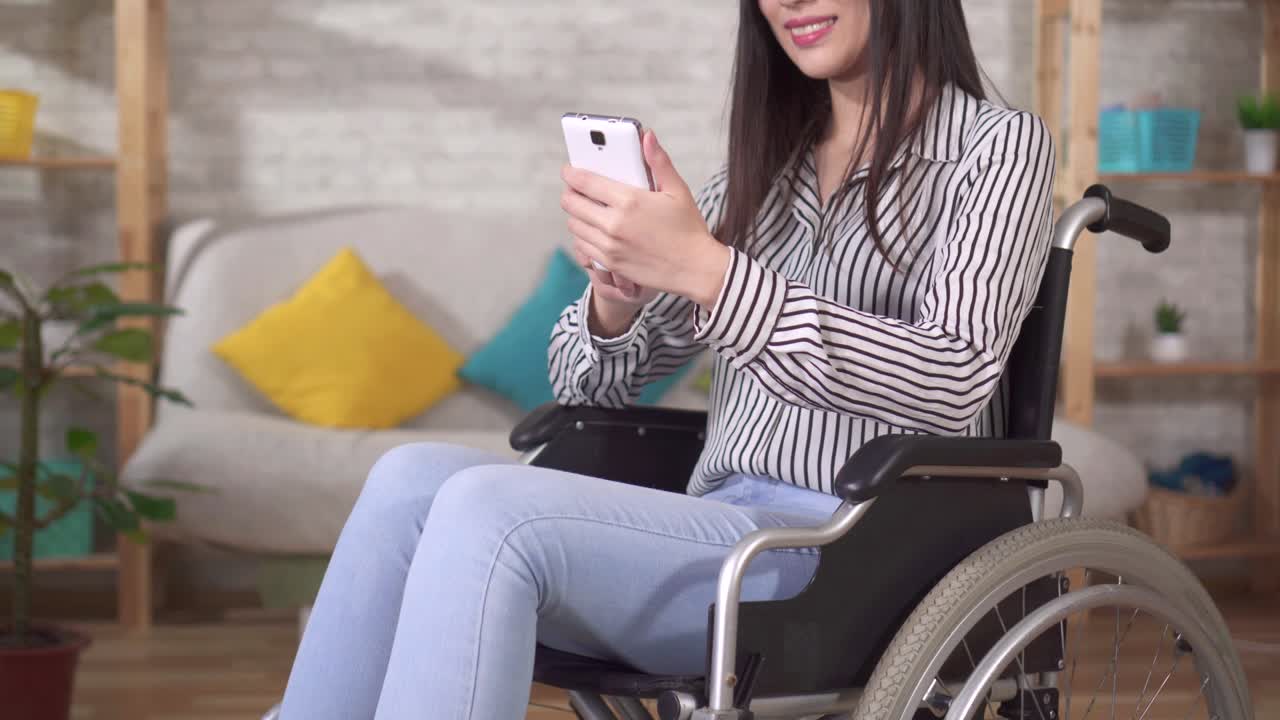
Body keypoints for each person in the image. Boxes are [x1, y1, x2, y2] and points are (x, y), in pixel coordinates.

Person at [277, 1, 1055, 717]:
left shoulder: (998, 149)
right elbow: (585, 386)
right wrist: (615, 298)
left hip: (852, 547)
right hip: (719, 526)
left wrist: (710, 272)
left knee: (488, 510)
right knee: (406, 480)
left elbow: (952, 378)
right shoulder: (762, 173)